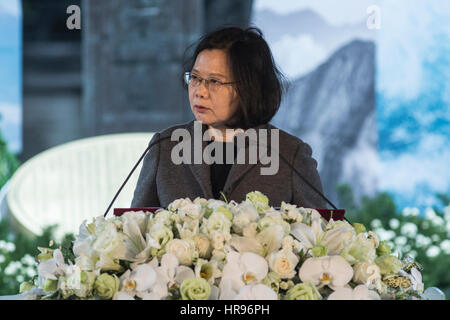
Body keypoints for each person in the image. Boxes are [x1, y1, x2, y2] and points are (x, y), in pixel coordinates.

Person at [131, 26, 326, 209]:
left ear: (249, 88)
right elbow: (134, 231)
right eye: (196, 78)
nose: (199, 92)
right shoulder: (165, 146)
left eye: (214, 82)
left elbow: (320, 236)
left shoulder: (289, 154)